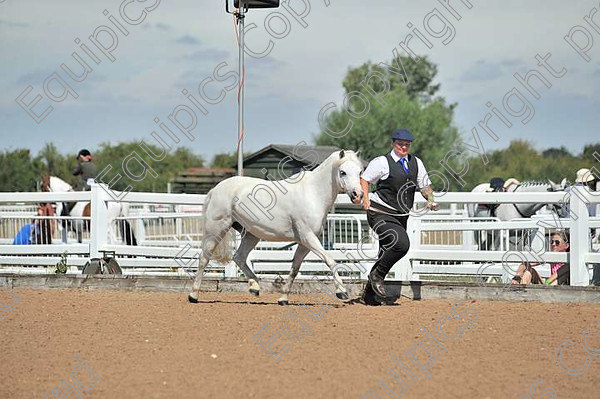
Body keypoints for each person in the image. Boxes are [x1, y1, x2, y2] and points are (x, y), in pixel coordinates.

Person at [359, 128, 436, 305]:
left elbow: (425, 185)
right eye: (400, 144)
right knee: (401, 244)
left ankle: (369, 296)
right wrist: (365, 197)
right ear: (393, 144)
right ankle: (377, 275)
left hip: (401, 216)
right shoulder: (382, 162)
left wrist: (430, 199)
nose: (404, 147)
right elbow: (365, 179)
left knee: (385, 251)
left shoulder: (416, 163)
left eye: (407, 145)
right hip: (380, 213)